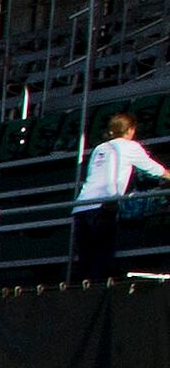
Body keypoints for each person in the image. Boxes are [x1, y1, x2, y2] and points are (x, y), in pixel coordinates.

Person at [66, 111, 169, 285]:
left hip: (81, 206)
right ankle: (97, 295)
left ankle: (81, 295)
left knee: (86, 258)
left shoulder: (100, 148)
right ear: (130, 130)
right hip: (104, 205)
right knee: (102, 255)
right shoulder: (129, 147)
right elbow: (153, 169)